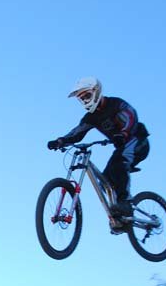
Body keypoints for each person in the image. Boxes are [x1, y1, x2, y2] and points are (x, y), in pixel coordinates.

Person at [47, 77, 150, 231]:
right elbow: (77, 132)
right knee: (106, 179)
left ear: (96, 92)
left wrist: (122, 134)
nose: (85, 101)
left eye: (87, 96)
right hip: (121, 146)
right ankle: (120, 219)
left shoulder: (115, 104)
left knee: (118, 165)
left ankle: (125, 203)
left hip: (137, 141)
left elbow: (131, 116)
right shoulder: (91, 117)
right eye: (81, 99)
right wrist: (61, 141)